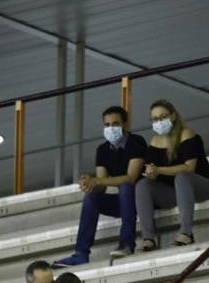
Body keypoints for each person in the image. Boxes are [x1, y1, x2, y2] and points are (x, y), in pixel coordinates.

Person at [53, 106, 148, 267]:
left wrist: (97, 181)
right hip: (124, 204)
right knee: (92, 197)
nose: (111, 128)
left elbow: (131, 178)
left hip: (143, 201)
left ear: (125, 124)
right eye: (107, 124)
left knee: (125, 187)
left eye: (115, 124)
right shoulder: (102, 150)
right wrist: (89, 183)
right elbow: (102, 185)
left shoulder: (136, 142)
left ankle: (127, 244)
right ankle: (81, 253)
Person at [135, 99, 209, 251]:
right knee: (142, 185)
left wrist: (159, 170)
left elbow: (189, 168)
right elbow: (151, 170)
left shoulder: (187, 134)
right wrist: (150, 173)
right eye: (155, 119)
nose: (159, 121)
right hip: (175, 192)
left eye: (163, 117)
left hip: (203, 187)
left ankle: (186, 233)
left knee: (182, 176)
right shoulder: (155, 141)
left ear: (173, 115)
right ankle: (148, 238)